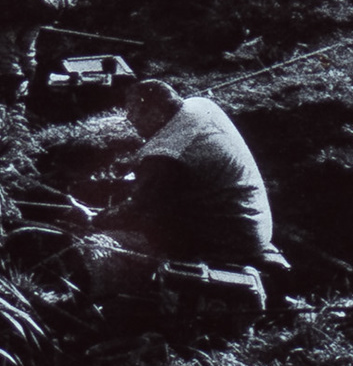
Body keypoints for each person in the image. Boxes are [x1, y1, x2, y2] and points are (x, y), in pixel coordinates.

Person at [73, 78, 288, 308]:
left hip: (230, 238)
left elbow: (138, 211)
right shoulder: (200, 106)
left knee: (100, 245)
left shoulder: (166, 154)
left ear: (155, 112)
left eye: (135, 112)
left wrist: (95, 218)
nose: (130, 119)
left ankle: (110, 300)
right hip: (253, 218)